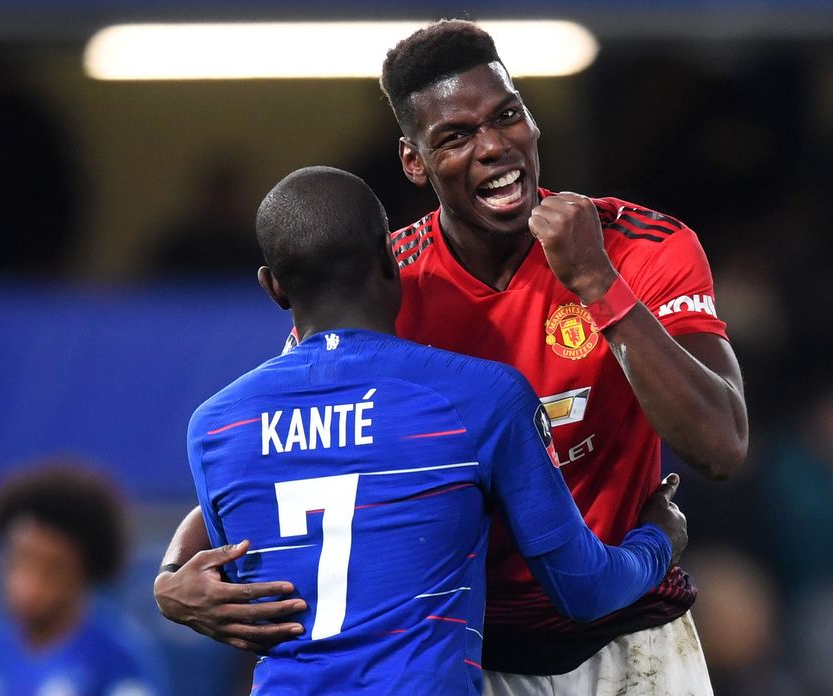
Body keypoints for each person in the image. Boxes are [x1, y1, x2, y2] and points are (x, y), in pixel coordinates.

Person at [155, 20, 748, 695]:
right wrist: (175, 572)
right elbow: (294, 447)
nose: (494, 147)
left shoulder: (641, 248)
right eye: (457, 136)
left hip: (630, 635)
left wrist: (598, 286)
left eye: (507, 116)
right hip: (468, 651)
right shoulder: (385, 286)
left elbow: (719, 447)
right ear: (415, 161)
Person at [184, 165, 687, 694]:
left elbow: (238, 599)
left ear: (272, 287)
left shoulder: (218, 428)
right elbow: (584, 589)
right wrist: (658, 539)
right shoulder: (477, 397)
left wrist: (171, 575)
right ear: (388, 257)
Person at [0, 463, 168, 696]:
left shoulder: (116, 657)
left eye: (53, 569)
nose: (30, 584)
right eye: (20, 560)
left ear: (84, 573)